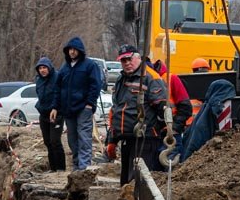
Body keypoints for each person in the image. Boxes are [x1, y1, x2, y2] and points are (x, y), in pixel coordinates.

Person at [106, 44, 168, 185]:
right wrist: (112, 140)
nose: (127, 63)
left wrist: (166, 133)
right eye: (123, 61)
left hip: (145, 140)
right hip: (127, 139)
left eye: (130, 59)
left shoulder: (150, 78)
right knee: (126, 183)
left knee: (139, 183)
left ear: (138, 58)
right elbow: (116, 111)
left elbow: (162, 108)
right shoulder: (121, 80)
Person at [54, 36, 104, 170]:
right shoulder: (65, 68)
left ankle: (84, 168)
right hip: (68, 109)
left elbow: (96, 85)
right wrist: (55, 107)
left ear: (80, 51)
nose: (72, 52)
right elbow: (58, 88)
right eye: (70, 49)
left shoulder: (89, 65)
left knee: (84, 138)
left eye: (75, 49)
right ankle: (77, 165)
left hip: (83, 108)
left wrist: (89, 104)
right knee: (72, 139)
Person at [33, 56, 65, 171]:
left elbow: (61, 95)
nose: (42, 70)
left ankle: (61, 168)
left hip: (56, 113)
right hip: (43, 114)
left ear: (49, 68)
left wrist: (56, 108)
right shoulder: (39, 80)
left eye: (44, 67)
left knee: (55, 141)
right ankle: (53, 168)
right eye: (40, 68)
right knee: (47, 142)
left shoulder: (57, 77)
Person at [151, 59, 194, 136]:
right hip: (152, 136)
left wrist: (174, 128)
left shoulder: (171, 78)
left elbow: (186, 108)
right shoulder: (141, 81)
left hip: (171, 133)